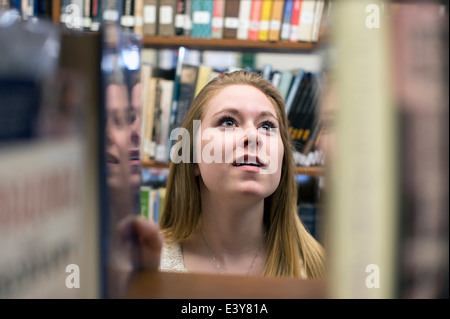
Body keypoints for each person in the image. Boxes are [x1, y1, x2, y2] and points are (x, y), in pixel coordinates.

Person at [135, 70, 325, 278]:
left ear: (283, 161)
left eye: (267, 125)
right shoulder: (149, 265)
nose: (253, 136)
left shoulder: (317, 270)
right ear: (192, 158)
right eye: (228, 122)